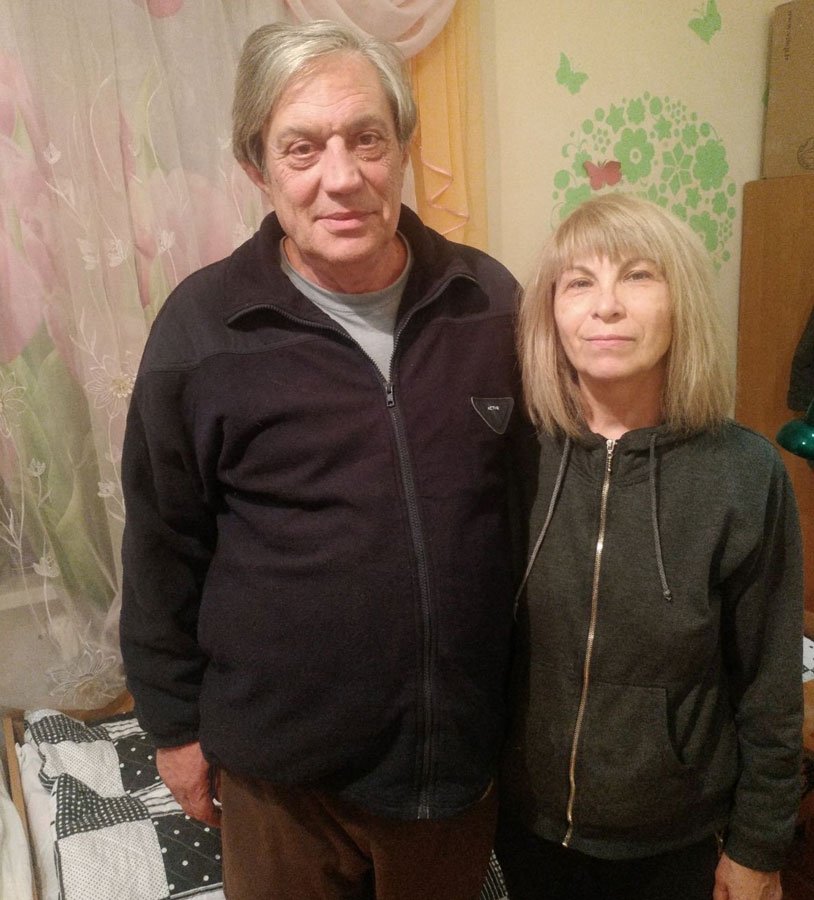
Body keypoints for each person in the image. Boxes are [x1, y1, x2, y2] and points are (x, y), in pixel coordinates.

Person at [119, 19, 534, 900]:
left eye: (367, 139)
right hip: (280, 783)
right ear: (257, 168)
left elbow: (536, 515)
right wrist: (174, 728)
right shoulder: (201, 330)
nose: (341, 178)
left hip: (452, 769)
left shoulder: (490, 303)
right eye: (301, 148)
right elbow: (161, 543)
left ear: (404, 147)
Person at [496, 193, 804, 900]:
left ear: (680, 301)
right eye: (579, 282)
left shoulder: (743, 473)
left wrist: (759, 847)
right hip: (524, 826)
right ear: (551, 313)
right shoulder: (514, 457)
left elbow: (770, 683)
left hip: (677, 841)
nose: (606, 306)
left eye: (637, 275)